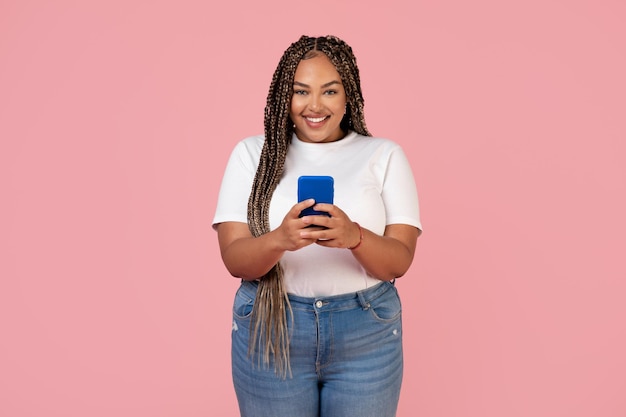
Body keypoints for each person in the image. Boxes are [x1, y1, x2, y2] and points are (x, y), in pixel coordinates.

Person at [212, 35, 422, 417]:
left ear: (348, 96)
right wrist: (280, 240)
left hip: (367, 330)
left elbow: (399, 262)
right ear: (283, 97)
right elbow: (235, 261)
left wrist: (354, 237)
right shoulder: (250, 155)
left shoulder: (384, 155)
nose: (314, 105)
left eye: (329, 91)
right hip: (271, 329)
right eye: (300, 91)